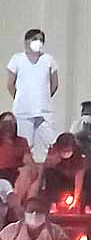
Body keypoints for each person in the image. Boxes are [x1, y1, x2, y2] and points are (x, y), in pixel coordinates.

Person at [7, 29, 59, 161]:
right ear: (26, 41)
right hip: (23, 110)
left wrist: (44, 98)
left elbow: (55, 83)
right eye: (35, 39)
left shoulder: (48, 59)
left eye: (41, 40)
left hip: (44, 110)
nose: (38, 42)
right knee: (25, 145)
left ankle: (52, 173)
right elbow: (10, 84)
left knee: (52, 143)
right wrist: (21, 99)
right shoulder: (17, 59)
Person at [39, 134, 88, 211]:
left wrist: (76, 200)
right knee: (50, 173)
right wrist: (54, 160)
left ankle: (86, 205)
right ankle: (53, 203)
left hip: (73, 181)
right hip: (58, 182)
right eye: (63, 151)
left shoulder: (80, 156)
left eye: (68, 151)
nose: (66, 153)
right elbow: (44, 170)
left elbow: (79, 179)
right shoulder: (53, 151)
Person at [70, 102, 91, 172]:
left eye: (90, 111)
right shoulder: (76, 123)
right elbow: (72, 137)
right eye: (86, 111)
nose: (87, 115)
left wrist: (89, 134)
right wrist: (83, 134)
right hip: (78, 156)